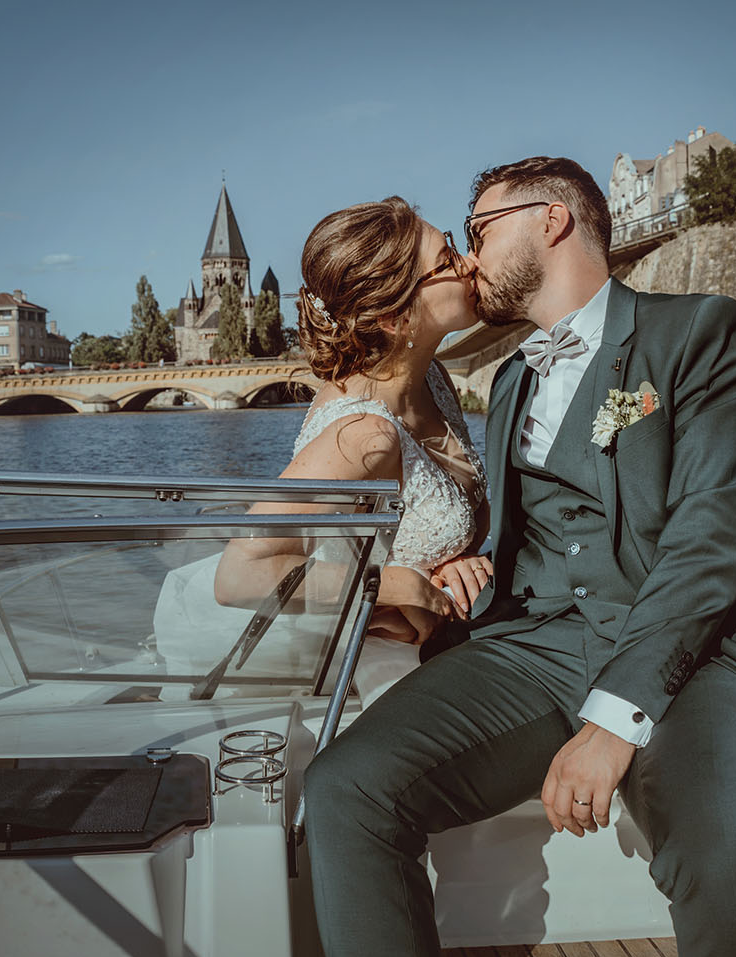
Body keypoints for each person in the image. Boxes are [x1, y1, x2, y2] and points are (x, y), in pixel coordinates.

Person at [303, 157, 736, 957]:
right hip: (534, 647)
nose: (466, 258)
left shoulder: (698, 331)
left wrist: (613, 722)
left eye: (478, 231)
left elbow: (714, 538)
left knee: (728, 847)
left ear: (551, 218)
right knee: (346, 786)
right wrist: (447, 568)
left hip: (701, 650)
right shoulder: (508, 382)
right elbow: (517, 532)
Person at [153, 196, 492, 676]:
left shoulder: (432, 379)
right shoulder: (363, 433)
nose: (471, 262)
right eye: (447, 261)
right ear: (395, 319)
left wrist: (453, 563)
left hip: (446, 639)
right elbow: (238, 576)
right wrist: (401, 585)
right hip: (384, 668)